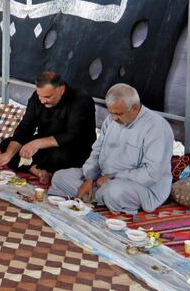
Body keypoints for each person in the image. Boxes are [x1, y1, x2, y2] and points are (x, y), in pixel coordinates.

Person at [49, 84, 174, 214]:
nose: (114, 118)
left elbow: (151, 174)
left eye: (118, 114)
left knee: (114, 192)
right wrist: (89, 178)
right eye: (111, 112)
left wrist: (113, 177)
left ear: (135, 108)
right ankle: (97, 197)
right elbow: (97, 151)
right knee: (60, 177)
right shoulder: (112, 119)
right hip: (101, 179)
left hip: (140, 187)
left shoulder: (157, 128)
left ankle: (96, 198)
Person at [0, 71, 96, 184]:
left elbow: (73, 135)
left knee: (58, 157)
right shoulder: (37, 97)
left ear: (61, 90)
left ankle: (40, 169)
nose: (42, 101)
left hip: (73, 148)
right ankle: (37, 171)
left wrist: (36, 144)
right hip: (44, 144)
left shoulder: (81, 99)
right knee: (8, 145)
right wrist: (8, 154)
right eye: (40, 96)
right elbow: (25, 127)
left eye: (47, 97)